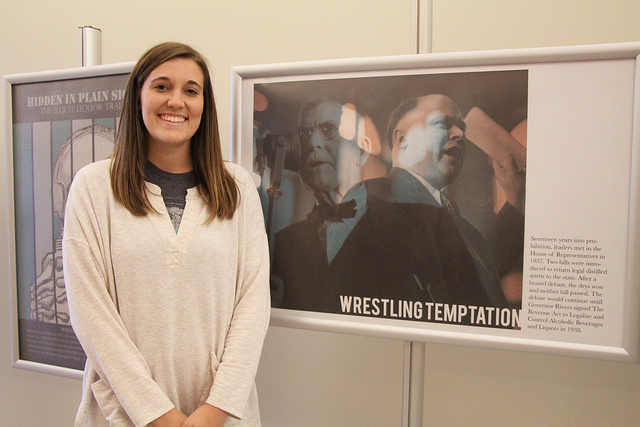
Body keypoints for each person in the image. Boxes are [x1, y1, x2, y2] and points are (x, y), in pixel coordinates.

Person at [63, 42, 270, 426]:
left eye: (191, 90)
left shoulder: (237, 187)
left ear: (204, 105)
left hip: (220, 415)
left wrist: (216, 409)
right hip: (125, 413)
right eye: (161, 86)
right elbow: (91, 315)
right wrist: (158, 415)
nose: (176, 101)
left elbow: (253, 303)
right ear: (137, 96)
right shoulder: (93, 188)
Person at [368, 93, 525, 308]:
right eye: (442, 124)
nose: (460, 134)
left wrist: (515, 200)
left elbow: (473, 277)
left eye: (461, 127)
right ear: (402, 139)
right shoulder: (374, 201)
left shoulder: (451, 218)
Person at [271, 99, 383, 311]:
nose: (312, 143)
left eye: (329, 129)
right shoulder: (280, 245)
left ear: (363, 149)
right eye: (304, 134)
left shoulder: (399, 233)